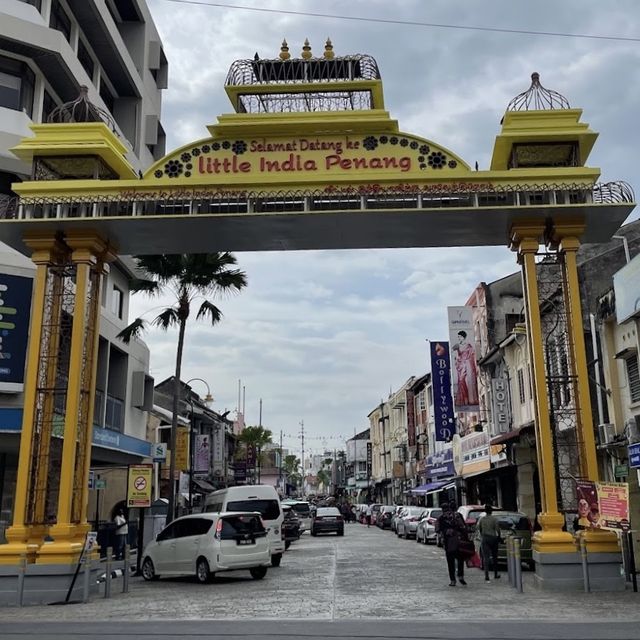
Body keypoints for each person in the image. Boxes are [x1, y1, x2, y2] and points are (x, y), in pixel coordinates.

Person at [436, 502, 468, 587]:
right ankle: (461, 576)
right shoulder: (458, 515)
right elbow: (464, 527)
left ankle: (453, 580)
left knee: (450, 562)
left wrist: (445, 532)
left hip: (448, 543)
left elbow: (437, 529)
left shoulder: (441, 518)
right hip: (459, 542)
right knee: (460, 560)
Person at [452, 330, 479, 408]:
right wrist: (457, 352)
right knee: (461, 380)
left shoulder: (469, 346)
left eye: (460, 336)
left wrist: (476, 367)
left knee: (470, 382)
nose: (459, 338)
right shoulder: (458, 346)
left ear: (463, 337)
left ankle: (471, 399)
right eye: (458, 337)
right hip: (462, 366)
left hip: (469, 365)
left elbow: (473, 356)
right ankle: (465, 399)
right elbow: (459, 356)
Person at [477, 503, 501, 582]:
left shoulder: (482, 519)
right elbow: (497, 529)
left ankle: (486, 575)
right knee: (495, 557)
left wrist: (482, 534)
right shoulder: (494, 519)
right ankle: (496, 573)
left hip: (485, 538)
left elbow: (478, 528)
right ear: (491, 511)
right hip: (493, 538)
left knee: (486, 557)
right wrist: (499, 536)